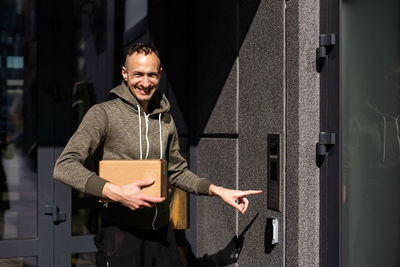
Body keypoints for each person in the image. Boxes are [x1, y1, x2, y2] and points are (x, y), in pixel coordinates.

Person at [53, 43, 262, 267]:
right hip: (121, 236)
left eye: (152, 74)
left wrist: (218, 191)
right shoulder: (103, 114)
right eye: (138, 74)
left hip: (162, 235)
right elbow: (64, 166)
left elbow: (177, 171)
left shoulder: (166, 120)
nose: (145, 82)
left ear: (160, 74)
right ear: (124, 73)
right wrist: (117, 193)